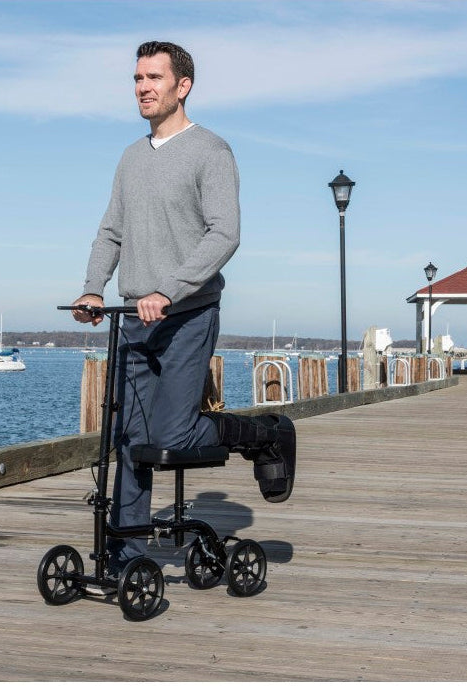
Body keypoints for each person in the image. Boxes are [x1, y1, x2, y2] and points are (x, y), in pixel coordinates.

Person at [71, 41, 296, 575]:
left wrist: (170, 290)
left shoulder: (211, 151)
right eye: (136, 78)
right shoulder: (130, 157)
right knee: (128, 437)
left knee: (170, 437)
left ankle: (265, 433)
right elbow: (111, 230)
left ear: (182, 86)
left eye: (153, 78)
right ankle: (127, 550)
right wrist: (93, 289)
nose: (142, 87)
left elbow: (226, 233)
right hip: (135, 319)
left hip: (188, 314)